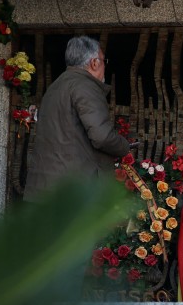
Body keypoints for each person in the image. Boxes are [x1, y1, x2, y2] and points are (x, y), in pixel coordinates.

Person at [24, 35, 131, 202]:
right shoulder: (85, 86)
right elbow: (101, 137)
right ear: (94, 63)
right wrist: (124, 146)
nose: (104, 66)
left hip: (45, 189)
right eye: (104, 61)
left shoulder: (55, 86)